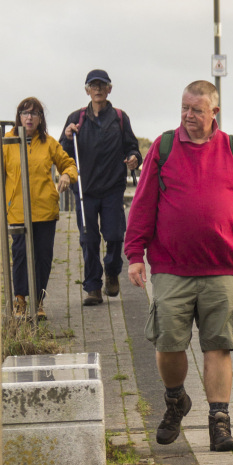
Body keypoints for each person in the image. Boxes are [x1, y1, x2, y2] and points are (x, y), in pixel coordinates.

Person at [124, 80, 233, 452]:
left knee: (218, 346)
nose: (188, 115)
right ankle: (176, 399)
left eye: (197, 109)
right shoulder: (164, 148)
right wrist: (135, 255)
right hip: (171, 268)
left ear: (215, 112)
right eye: (184, 108)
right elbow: (143, 203)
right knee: (168, 344)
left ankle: (220, 422)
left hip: (222, 267)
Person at [60, 69, 141, 306]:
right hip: (84, 190)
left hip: (112, 188)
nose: (97, 89)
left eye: (101, 85)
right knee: (88, 239)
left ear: (109, 89)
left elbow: (132, 147)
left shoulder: (119, 117)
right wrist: (66, 135)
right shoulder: (76, 118)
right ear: (87, 90)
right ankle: (93, 287)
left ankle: (112, 271)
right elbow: (61, 153)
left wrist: (134, 157)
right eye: (92, 86)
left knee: (115, 236)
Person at [3, 97, 78, 320]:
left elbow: (69, 164)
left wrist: (66, 175)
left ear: (40, 119)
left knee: (43, 258)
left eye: (34, 114)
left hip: (45, 210)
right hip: (17, 210)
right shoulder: (6, 143)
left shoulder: (48, 143)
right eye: (25, 113)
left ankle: (38, 301)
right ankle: (20, 301)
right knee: (20, 255)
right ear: (18, 117)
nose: (29, 117)